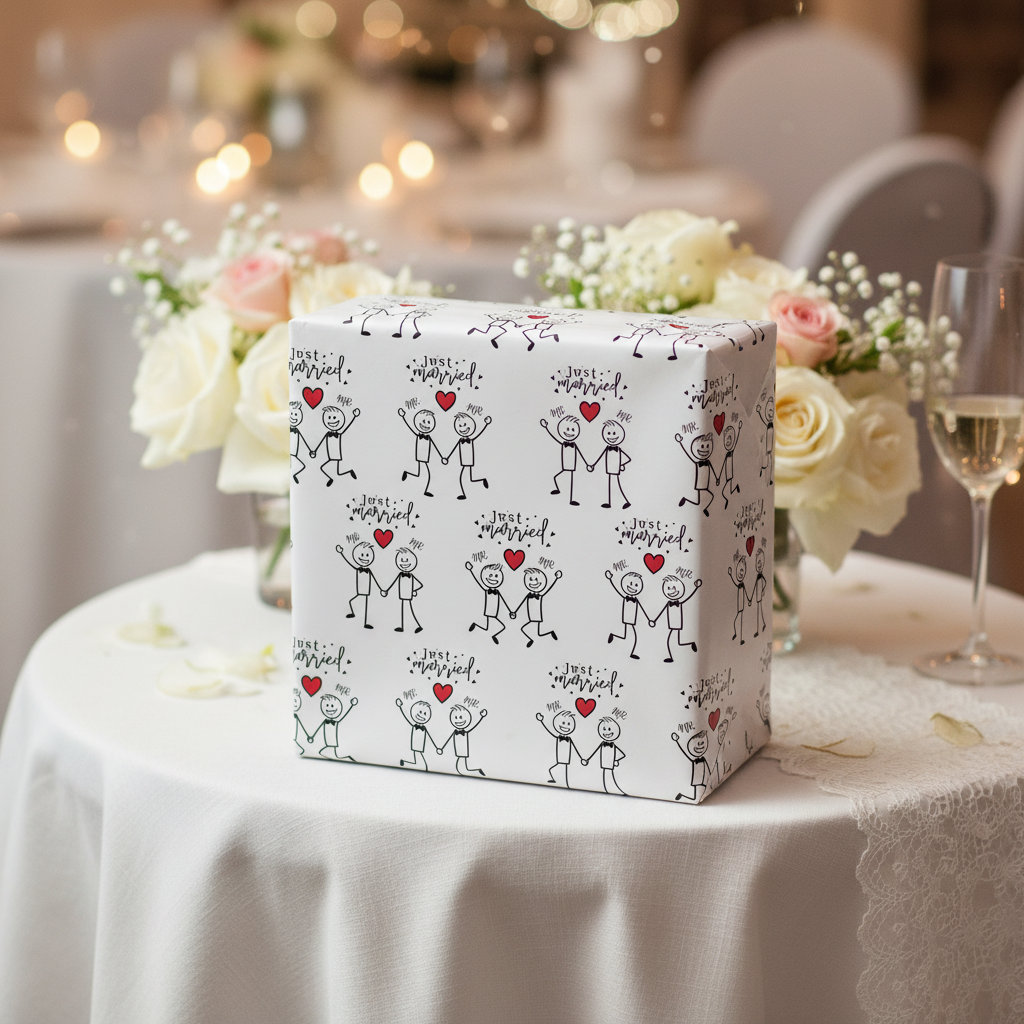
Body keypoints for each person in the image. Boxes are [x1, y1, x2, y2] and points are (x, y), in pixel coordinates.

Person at [648, 575, 702, 662]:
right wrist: (654, 620)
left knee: (672, 641)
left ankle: (673, 657)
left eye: (674, 587)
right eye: (668, 588)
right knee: (678, 642)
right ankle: (690, 644)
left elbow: (688, 597)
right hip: (672, 624)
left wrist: (696, 588)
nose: (672, 590)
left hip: (677, 624)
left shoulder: (679, 603)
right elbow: (662, 611)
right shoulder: (668, 603)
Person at [398, 407, 444, 497]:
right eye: (423, 421)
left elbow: (436, 446)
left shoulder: (429, 437)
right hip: (420, 456)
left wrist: (442, 456)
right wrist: (403, 417)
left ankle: (407, 473)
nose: (425, 424)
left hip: (425, 457)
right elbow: (410, 427)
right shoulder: (419, 435)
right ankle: (425, 490)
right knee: (426, 473)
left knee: (419, 473)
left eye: (429, 422)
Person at [540, 415, 585, 506]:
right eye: (567, 429)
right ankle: (559, 490)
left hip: (572, 465)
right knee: (557, 477)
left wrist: (587, 464)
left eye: (573, 430)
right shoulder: (563, 443)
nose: (569, 432)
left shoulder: (574, 444)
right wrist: (546, 428)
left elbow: (580, 453)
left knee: (571, 481)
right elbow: (555, 437)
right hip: (565, 465)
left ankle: (571, 499)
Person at [336, 542, 383, 628]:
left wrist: (381, 589)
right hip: (360, 590)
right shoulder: (358, 569)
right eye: (362, 554)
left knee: (364, 606)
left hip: (366, 590)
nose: (364, 557)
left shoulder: (368, 570)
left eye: (367, 555)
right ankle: (355, 615)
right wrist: (341, 553)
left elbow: (375, 579)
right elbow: (349, 563)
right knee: (352, 601)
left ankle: (365, 623)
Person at [588, 420, 631, 509]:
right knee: (610, 485)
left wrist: (621, 465)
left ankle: (625, 501)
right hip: (610, 469)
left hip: (615, 469)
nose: (611, 436)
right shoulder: (607, 448)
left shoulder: (618, 449)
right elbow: (600, 456)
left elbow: (627, 458)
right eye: (609, 433)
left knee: (616, 485)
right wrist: (593, 465)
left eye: (614, 433)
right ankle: (609, 502)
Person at [513, 568, 561, 647]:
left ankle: (534, 638)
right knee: (535, 632)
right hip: (531, 617)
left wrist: (556, 579)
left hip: (537, 617)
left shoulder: (539, 596)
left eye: (536, 579)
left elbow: (548, 590)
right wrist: (515, 612)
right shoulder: (528, 596)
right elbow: (521, 604)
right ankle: (535, 638)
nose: (534, 582)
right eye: (531, 579)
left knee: (531, 631)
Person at [606, 570, 648, 659]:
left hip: (632, 619)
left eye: (636, 585)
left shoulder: (636, 599)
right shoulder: (626, 597)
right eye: (631, 583)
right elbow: (617, 590)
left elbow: (643, 609)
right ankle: (631, 653)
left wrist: (649, 619)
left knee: (625, 636)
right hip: (627, 619)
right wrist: (610, 579)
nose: (633, 586)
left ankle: (613, 635)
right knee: (632, 636)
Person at [447, 412, 491, 499]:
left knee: (463, 477)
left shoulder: (470, 440)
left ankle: (464, 494)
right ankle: (482, 480)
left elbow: (479, 433)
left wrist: (486, 424)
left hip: (468, 461)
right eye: (460, 426)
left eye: (464, 424)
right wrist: (447, 457)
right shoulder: (460, 440)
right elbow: (453, 449)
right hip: (463, 461)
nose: (463, 427)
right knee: (470, 478)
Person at [466, 562, 512, 642]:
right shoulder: (487, 591)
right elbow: (479, 582)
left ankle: (477, 626)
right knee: (501, 626)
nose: (493, 578)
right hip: (489, 611)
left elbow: (503, 601)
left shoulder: (497, 592)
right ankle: (492, 634)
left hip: (495, 613)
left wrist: (510, 611)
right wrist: (471, 570)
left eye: (496, 576)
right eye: (490, 575)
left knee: (490, 627)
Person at [314, 405, 359, 486]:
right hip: (330, 456)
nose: (332, 420)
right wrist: (315, 451)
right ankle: (348, 472)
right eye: (329, 418)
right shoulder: (328, 434)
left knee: (324, 468)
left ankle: (333, 478)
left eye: (334, 418)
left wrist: (354, 417)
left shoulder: (338, 434)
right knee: (336, 472)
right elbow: (321, 442)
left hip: (336, 455)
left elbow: (346, 428)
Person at [536, 710, 583, 788]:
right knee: (559, 770)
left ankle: (566, 783)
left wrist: (581, 758)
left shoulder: (569, 739)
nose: (565, 726)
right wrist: (542, 721)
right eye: (563, 723)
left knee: (561, 770)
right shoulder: (559, 737)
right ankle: (564, 783)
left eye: (568, 724)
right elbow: (550, 731)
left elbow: (575, 748)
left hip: (565, 758)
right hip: (560, 758)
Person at [436, 705, 488, 776]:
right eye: (456, 717)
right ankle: (476, 771)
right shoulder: (455, 732)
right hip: (458, 750)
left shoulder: (465, 732)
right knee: (461, 767)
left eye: (460, 717)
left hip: (463, 751)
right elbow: (448, 739)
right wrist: (442, 748)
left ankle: (476, 772)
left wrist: (481, 717)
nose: (458, 720)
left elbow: (473, 726)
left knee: (461, 767)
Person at [382, 547, 424, 633]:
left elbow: (420, 584)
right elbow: (393, 583)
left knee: (409, 610)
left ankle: (417, 625)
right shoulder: (400, 574)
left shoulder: (411, 575)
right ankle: (403, 626)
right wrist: (386, 590)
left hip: (408, 595)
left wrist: (413, 591)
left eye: (407, 559)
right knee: (403, 610)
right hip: (403, 595)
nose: (404, 562)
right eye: (402, 559)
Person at [677, 432, 719, 516]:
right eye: (702, 446)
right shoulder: (697, 463)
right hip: (700, 484)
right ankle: (690, 501)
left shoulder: (708, 462)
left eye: (707, 446)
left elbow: (713, 470)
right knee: (703, 499)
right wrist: (680, 443)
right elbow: (689, 456)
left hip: (705, 484)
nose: (705, 449)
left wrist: (717, 478)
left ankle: (701, 507)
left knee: (702, 500)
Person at [585, 717, 626, 795]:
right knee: (605, 774)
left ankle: (612, 787)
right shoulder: (602, 744)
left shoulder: (612, 745)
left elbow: (622, 754)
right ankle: (606, 787)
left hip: (610, 762)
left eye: (609, 729)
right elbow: (595, 751)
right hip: (604, 762)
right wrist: (588, 759)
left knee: (610, 774)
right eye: (604, 729)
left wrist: (616, 760)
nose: (607, 732)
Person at [396, 698, 436, 770]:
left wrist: (436, 747)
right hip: (415, 744)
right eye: (420, 712)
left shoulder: (424, 728)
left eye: (424, 713)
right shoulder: (414, 726)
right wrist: (400, 707)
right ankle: (421, 766)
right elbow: (407, 718)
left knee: (418, 757)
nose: (421, 715)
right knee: (417, 757)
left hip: (421, 745)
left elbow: (430, 736)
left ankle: (408, 763)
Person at [315, 693, 358, 760]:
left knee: (326, 752)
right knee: (325, 753)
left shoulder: (335, 722)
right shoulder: (325, 721)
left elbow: (343, 717)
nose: (329, 708)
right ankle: (345, 757)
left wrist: (351, 705)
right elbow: (318, 728)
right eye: (327, 705)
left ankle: (346, 757)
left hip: (332, 742)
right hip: (328, 742)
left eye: (332, 705)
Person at [671, 730, 711, 802]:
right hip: (697, 778)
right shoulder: (696, 760)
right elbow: (686, 754)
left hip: (702, 777)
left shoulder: (703, 759)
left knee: (700, 793)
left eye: (702, 743)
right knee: (696, 796)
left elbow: (707, 767)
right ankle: (682, 795)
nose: (700, 745)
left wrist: (710, 774)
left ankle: (682, 795)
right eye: (697, 743)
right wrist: (677, 741)